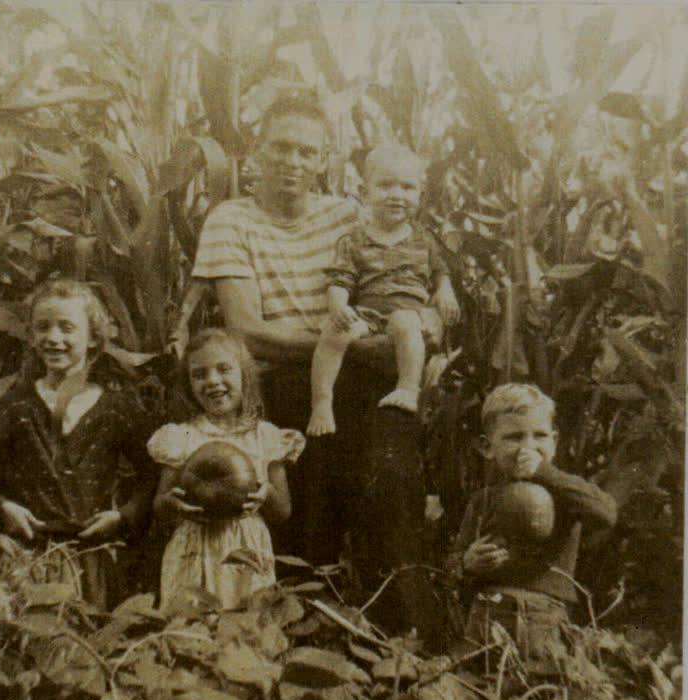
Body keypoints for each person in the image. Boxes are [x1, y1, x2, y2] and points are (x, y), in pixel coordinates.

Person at [191, 92, 455, 635]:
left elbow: (404, 276)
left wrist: (425, 317)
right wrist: (347, 344)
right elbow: (247, 331)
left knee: (392, 473)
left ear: (324, 161)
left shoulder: (349, 215)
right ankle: (303, 623)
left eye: (306, 152)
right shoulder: (230, 220)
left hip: (364, 371)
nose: (292, 162)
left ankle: (404, 629)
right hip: (282, 377)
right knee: (306, 482)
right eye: (281, 147)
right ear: (256, 153)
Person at [0, 278, 160, 609]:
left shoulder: (117, 409)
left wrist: (123, 516)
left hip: (92, 563)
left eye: (67, 328)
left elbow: (155, 473)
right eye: (42, 327)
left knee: (89, 635)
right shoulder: (16, 407)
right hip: (27, 559)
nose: (53, 337)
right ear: (32, 337)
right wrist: (2, 507)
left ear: (94, 338)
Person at [445, 383, 617, 668]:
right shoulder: (482, 500)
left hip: (544, 619)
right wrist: (467, 562)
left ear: (554, 442)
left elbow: (606, 513)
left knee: (543, 680)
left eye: (539, 436)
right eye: (514, 437)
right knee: (479, 682)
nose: (528, 447)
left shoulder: (565, 494)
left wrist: (544, 472)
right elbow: (452, 563)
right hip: (487, 617)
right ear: (487, 447)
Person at [307, 144, 459, 436]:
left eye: (407, 187)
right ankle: (322, 402)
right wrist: (338, 306)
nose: (397, 195)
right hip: (369, 315)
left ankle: (408, 388)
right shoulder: (353, 240)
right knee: (333, 332)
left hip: (411, 315)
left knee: (404, 321)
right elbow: (341, 279)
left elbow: (441, 271)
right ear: (364, 193)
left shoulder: (424, 238)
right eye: (385, 185)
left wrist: (445, 291)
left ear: (420, 195)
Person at [148, 328, 304, 610]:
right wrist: (174, 504)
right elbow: (160, 505)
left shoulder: (264, 437)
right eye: (199, 374)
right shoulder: (181, 437)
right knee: (191, 622)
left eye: (224, 369)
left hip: (246, 552)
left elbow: (283, 510)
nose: (212, 381)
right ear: (188, 385)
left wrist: (265, 493)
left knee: (247, 623)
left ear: (245, 375)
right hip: (193, 549)